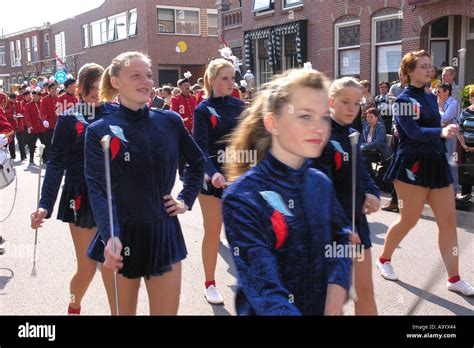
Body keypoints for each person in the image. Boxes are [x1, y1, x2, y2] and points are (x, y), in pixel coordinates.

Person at [222, 68, 351, 315]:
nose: (320, 128)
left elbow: (341, 236)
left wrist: (337, 285)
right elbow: (263, 288)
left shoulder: (320, 183)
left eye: (325, 117)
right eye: (305, 116)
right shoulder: (243, 197)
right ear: (273, 123)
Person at [84, 52, 205, 315]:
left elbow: (198, 162)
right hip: (120, 235)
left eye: (149, 75)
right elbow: (99, 190)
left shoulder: (170, 121)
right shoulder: (99, 130)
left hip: (163, 232)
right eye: (136, 75)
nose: (146, 82)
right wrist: (110, 235)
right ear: (115, 82)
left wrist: (185, 199)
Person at [379, 50, 474, 296]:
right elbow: (414, 134)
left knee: (448, 221)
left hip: (436, 162)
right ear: (409, 72)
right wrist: (441, 132)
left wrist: (445, 129)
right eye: (423, 66)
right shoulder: (403, 101)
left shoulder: (431, 97)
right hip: (411, 165)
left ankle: (454, 278)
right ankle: (384, 259)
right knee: (409, 219)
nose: (429, 70)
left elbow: (432, 126)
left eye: (430, 66)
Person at [30, 63, 113, 315]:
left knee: (113, 265)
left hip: (113, 196)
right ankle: (74, 306)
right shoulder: (69, 117)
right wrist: (45, 204)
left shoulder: (119, 114)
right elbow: (55, 164)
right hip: (79, 196)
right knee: (87, 267)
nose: (97, 93)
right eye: (91, 87)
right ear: (80, 88)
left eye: (102, 87)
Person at [312, 77, 380, 315]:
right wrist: (341, 226)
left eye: (357, 103)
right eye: (345, 102)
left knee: (365, 291)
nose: (352, 108)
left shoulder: (353, 133)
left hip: (356, 224)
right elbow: (319, 188)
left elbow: (361, 172)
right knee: (333, 300)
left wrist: (372, 192)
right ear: (331, 101)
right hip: (330, 228)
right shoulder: (319, 134)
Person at [193, 58, 245, 304]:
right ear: (212, 80)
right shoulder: (202, 110)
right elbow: (199, 148)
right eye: (224, 78)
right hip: (212, 176)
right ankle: (209, 283)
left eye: (233, 78)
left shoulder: (240, 105)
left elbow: (250, 141)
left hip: (238, 174)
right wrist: (212, 172)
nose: (230, 83)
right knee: (213, 231)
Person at [437, 83, 460, 196]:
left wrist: (440, 108)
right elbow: (436, 119)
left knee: (451, 162)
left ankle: (454, 190)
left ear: (446, 92)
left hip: (450, 135)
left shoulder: (453, 103)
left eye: (439, 92)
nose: (437, 94)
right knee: (440, 162)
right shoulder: (437, 102)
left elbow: (445, 118)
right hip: (439, 134)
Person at [361, 107, 392, 178]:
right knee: (358, 157)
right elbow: (361, 141)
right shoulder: (366, 127)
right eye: (367, 117)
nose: (368, 118)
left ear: (376, 117)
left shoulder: (380, 127)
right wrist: (363, 146)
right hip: (368, 151)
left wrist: (364, 147)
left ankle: (371, 177)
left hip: (379, 152)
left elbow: (377, 143)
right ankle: (367, 176)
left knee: (363, 160)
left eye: (371, 117)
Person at [458, 87, 474, 199]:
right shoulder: (465, 111)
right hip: (466, 147)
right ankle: (465, 199)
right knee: (466, 174)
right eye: (472, 97)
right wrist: (464, 145)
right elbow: (460, 130)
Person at [23, 90, 46, 164]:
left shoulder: (43, 103)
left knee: (44, 144)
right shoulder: (28, 105)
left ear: (40, 97)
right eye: (33, 96)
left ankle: (44, 158)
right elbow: (27, 116)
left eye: (36, 96)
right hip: (33, 128)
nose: (35, 97)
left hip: (42, 128)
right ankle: (31, 158)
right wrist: (29, 126)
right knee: (32, 145)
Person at [40, 82, 59, 163]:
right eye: (52, 88)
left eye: (55, 88)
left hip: (58, 124)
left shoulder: (58, 98)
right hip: (49, 125)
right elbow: (42, 111)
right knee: (48, 143)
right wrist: (44, 120)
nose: (54, 90)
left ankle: (56, 159)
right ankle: (47, 159)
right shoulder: (44, 99)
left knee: (57, 143)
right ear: (48, 89)